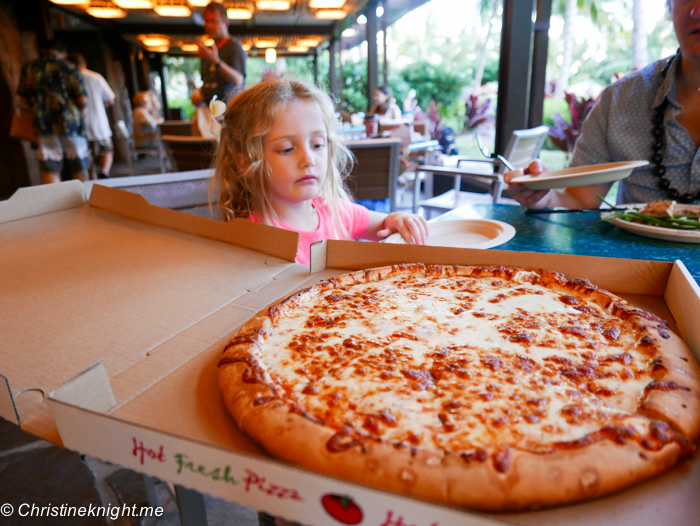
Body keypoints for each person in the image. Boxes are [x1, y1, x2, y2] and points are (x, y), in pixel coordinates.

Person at [213, 77, 429, 265]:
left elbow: (384, 223)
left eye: (317, 145)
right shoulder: (252, 239)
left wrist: (397, 219)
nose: (308, 160)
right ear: (246, 163)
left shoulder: (334, 212)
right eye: (287, 149)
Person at [504, 0, 700, 208]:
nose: (697, 11)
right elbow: (579, 199)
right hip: (629, 242)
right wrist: (542, 195)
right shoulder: (621, 99)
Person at [17, 38, 89, 184]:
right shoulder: (69, 67)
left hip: (43, 123)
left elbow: (23, 99)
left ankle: (54, 203)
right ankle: (83, 200)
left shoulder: (29, 68)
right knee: (79, 164)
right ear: (63, 53)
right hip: (70, 123)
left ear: (43, 51)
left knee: (50, 167)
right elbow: (82, 100)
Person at [68, 53, 115, 180]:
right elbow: (110, 99)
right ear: (84, 63)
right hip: (98, 121)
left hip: (79, 124)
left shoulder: (69, 78)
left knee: (86, 154)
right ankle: (104, 172)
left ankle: (92, 178)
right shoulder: (95, 77)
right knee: (106, 150)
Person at [198, 1, 246, 104]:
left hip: (228, 113)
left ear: (226, 24)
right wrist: (198, 93)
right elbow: (209, 81)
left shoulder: (234, 46)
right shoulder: (209, 50)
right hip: (209, 111)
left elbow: (238, 80)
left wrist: (217, 62)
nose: (209, 26)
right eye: (206, 21)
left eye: (214, 21)